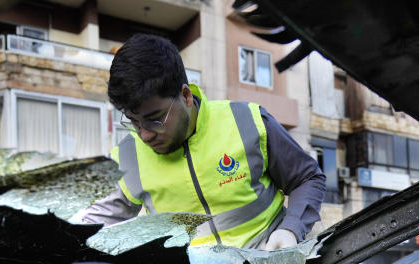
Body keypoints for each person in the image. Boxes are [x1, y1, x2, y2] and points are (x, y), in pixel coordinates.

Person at [77, 34, 326, 251]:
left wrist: (291, 229)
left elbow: (307, 178)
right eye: (133, 121)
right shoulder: (128, 157)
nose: (144, 135)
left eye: (155, 119)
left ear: (185, 95)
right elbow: (92, 225)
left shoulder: (247, 122)